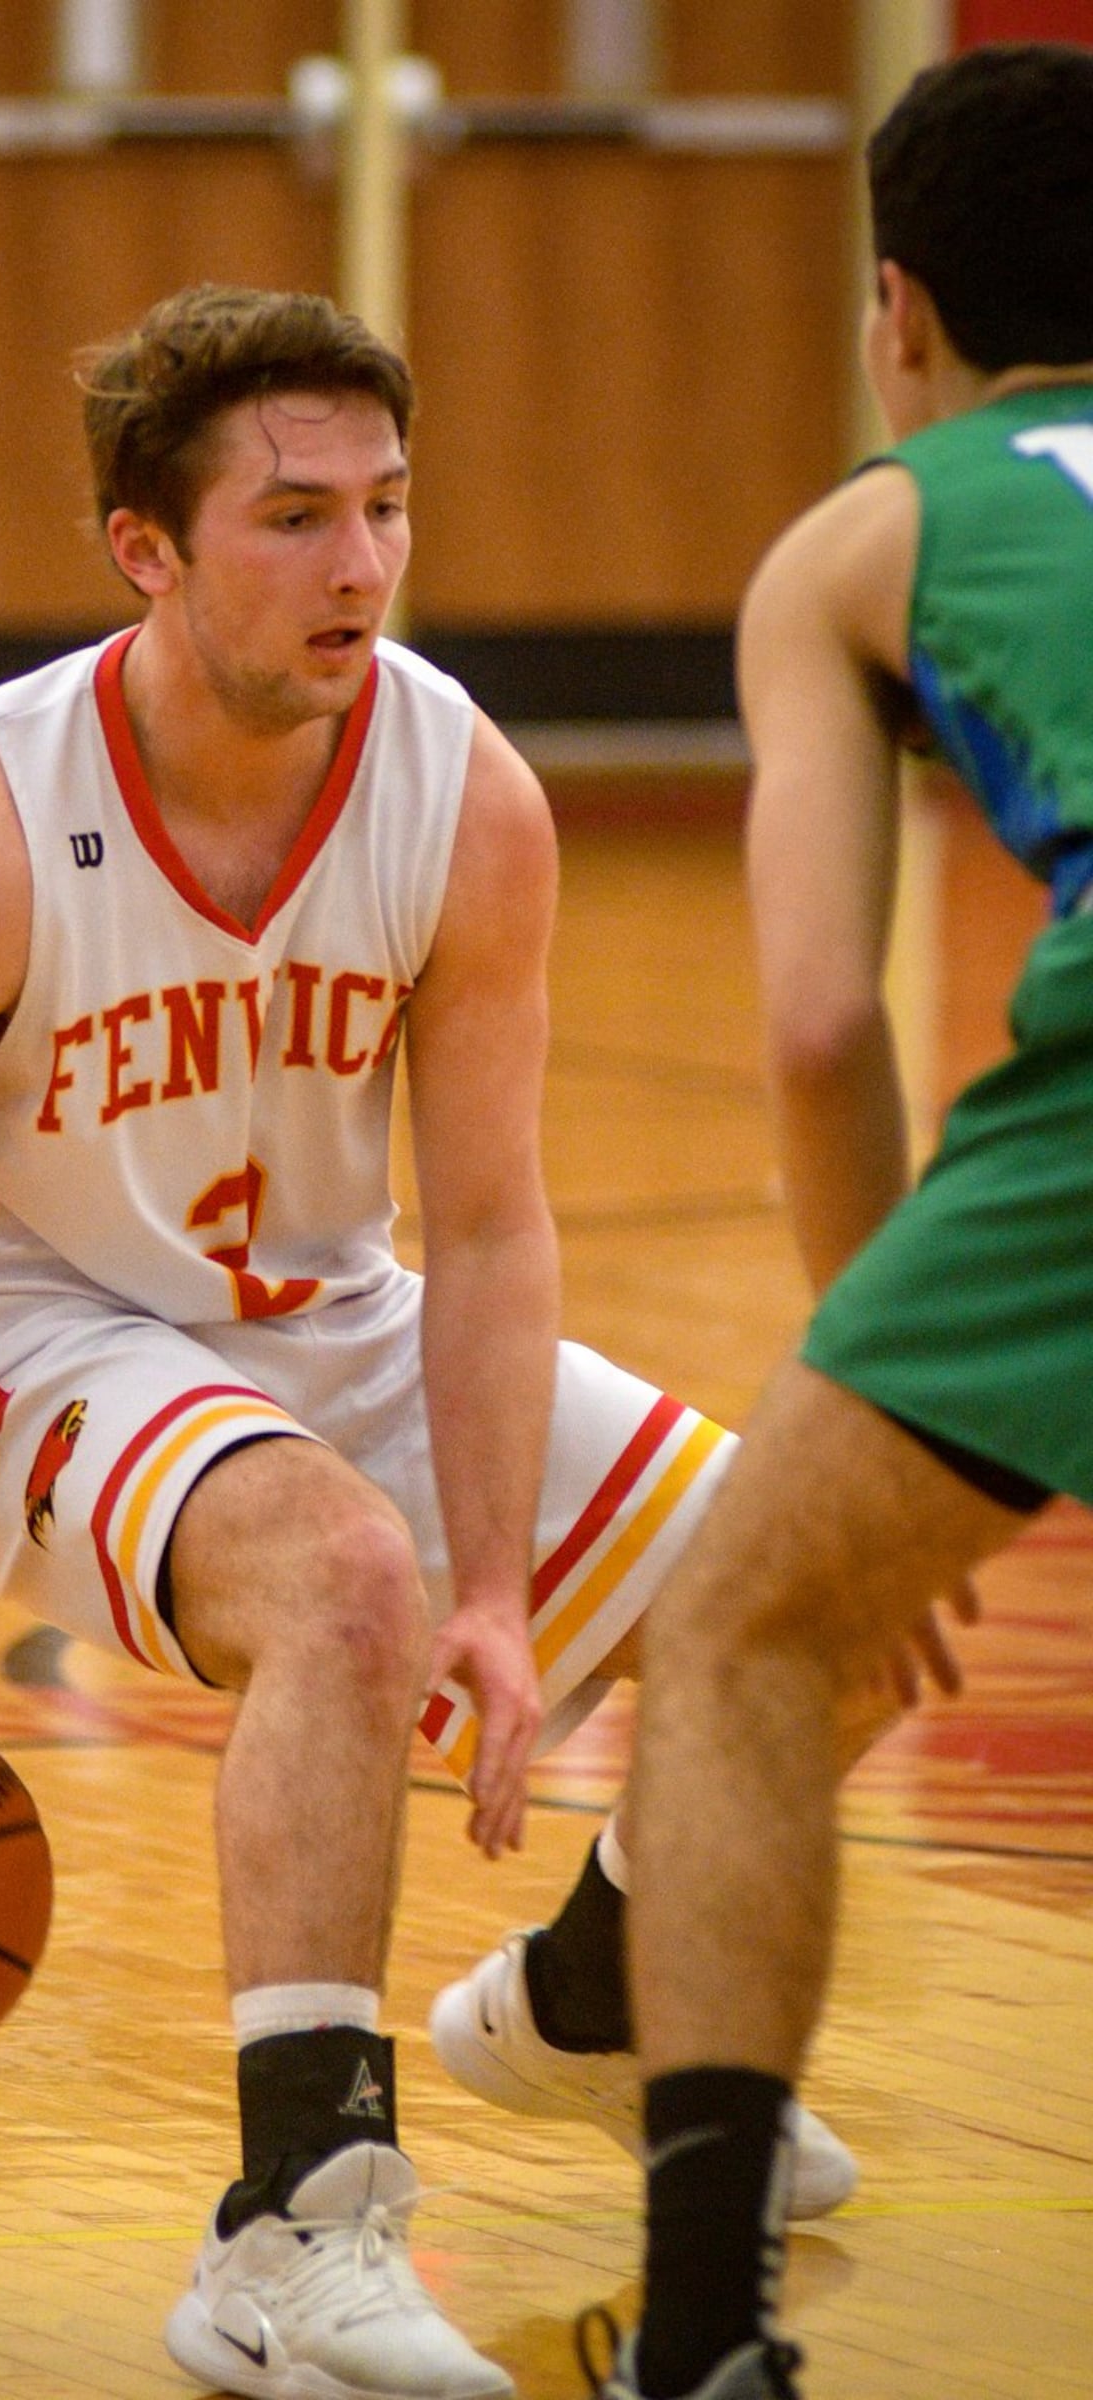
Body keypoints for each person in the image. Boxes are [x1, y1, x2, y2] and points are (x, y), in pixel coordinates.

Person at [0, 282, 856, 2400]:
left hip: (331, 1318)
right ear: (147, 548)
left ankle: (591, 1995)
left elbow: (482, 1226)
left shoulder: (461, 793)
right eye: (294, 518)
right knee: (337, 1579)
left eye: (387, 507)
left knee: (815, 1584)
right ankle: (287, 2235)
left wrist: (506, 1581)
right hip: (23, 1329)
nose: (362, 564)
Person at [572, 44, 1093, 2400]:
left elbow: (809, 1016)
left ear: (898, 309)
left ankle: (701, 2348)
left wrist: (867, 1367)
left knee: (746, 1643)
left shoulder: (871, 531)